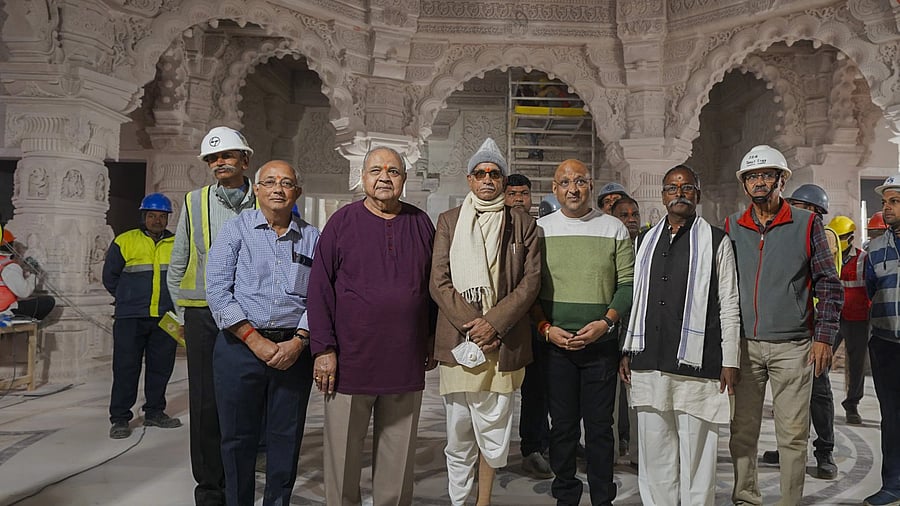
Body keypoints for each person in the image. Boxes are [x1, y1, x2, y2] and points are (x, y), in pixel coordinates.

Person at [307, 146, 436, 506]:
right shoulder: (341, 223)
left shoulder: (421, 223)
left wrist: (430, 337)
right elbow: (319, 289)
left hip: (405, 358)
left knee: (399, 456)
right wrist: (323, 349)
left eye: (393, 171)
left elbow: (435, 285)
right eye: (376, 170)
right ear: (363, 177)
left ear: (404, 179)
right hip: (349, 360)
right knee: (343, 457)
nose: (384, 178)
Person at [725, 145, 842, 506]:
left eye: (766, 175)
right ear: (744, 184)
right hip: (744, 346)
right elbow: (721, 289)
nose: (759, 182)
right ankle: (746, 497)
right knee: (742, 431)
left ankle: (789, 501)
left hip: (794, 347)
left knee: (792, 434)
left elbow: (828, 283)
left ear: (781, 180)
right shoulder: (732, 226)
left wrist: (824, 338)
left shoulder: (807, 224)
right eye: (752, 177)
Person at [619, 165, 739, 506]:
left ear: (697, 195)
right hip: (649, 360)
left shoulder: (716, 241)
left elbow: (729, 302)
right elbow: (635, 299)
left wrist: (730, 360)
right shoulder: (644, 241)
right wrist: (626, 350)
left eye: (687, 187)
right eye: (672, 188)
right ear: (663, 196)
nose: (680, 193)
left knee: (698, 458)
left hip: (698, 364)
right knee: (655, 456)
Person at [431, 139, 541, 504]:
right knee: (458, 433)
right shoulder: (449, 221)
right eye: (480, 173)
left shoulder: (522, 223)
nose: (487, 180)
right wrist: (474, 325)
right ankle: (459, 500)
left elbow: (530, 282)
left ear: (504, 181)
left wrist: (493, 324)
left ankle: (484, 501)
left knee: (494, 435)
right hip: (460, 341)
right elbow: (439, 281)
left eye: (495, 174)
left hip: (502, 343)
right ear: (470, 179)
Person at [205, 160, 316, 506]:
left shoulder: (313, 238)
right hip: (239, 346)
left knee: (286, 437)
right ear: (256, 189)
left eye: (286, 183)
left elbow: (323, 296)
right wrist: (254, 340)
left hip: (294, 351)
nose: (278, 189)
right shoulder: (235, 230)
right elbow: (217, 291)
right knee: (238, 438)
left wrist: (299, 341)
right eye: (269, 182)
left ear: (297, 191)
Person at [533, 159, 634, 505]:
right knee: (562, 427)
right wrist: (546, 329)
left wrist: (606, 322)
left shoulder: (613, 228)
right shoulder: (541, 229)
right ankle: (566, 495)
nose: (573, 189)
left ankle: (602, 496)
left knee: (600, 428)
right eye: (565, 182)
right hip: (555, 346)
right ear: (554, 188)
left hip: (600, 346)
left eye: (579, 181)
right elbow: (530, 289)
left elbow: (627, 284)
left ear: (591, 185)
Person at [167, 126, 257, 506]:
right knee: (205, 403)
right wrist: (181, 316)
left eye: (226, 155)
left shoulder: (266, 197)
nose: (219, 162)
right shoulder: (194, 201)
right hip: (203, 315)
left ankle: (243, 477)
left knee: (248, 397)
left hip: (252, 314)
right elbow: (178, 262)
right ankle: (209, 490)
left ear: (244, 160)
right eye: (213, 158)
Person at [759, 183, 840, 479]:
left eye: (802, 208)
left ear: (816, 212)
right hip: (790, 327)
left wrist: (823, 336)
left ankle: (825, 452)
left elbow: (826, 284)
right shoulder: (787, 231)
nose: (795, 211)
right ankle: (789, 448)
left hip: (814, 326)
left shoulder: (823, 235)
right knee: (789, 395)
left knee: (819, 392)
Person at [102, 193, 181, 439]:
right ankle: (120, 419)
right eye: (152, 215)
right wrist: (127, 297)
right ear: (143, 216)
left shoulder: (177, 243)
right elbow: (110, 277)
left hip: (166, 317)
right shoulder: (124, 241)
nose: (157, 220)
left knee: (161, 367)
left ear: (168, 218)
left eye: (162, 216)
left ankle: (155, 412)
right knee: (125, 368)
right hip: (130, 317)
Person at [503, 173, 552, 479]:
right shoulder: (494, 228)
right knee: (496, 394)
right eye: (512, 193)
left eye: (523, 193)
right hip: (500, 323)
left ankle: (534, 447)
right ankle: (485, 454)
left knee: (538, 389)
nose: (518, 199)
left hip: (535, 322)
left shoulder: (540, 229)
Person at [862, 175, 900, 506]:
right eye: (885, 202)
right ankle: (893, 484)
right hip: (887, 346)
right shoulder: (874, 249)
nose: (887, 208)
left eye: (894, 202)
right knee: (892, 418)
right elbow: (871, 290)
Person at [827, 216, 870, 426]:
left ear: (850, 238)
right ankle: (815, 399)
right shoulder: (827, 256)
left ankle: (852, 404)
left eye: (841, 237)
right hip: (832, 317)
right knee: (821, 359)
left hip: (857, 318)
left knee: (856, 363)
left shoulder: (863, 259)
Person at [0, 228, 55, 321]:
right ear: (10, 246)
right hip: (4, 310)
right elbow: (24, 292)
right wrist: (33, 275)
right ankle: (22, 322)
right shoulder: (10, 267)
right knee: (48, 301)